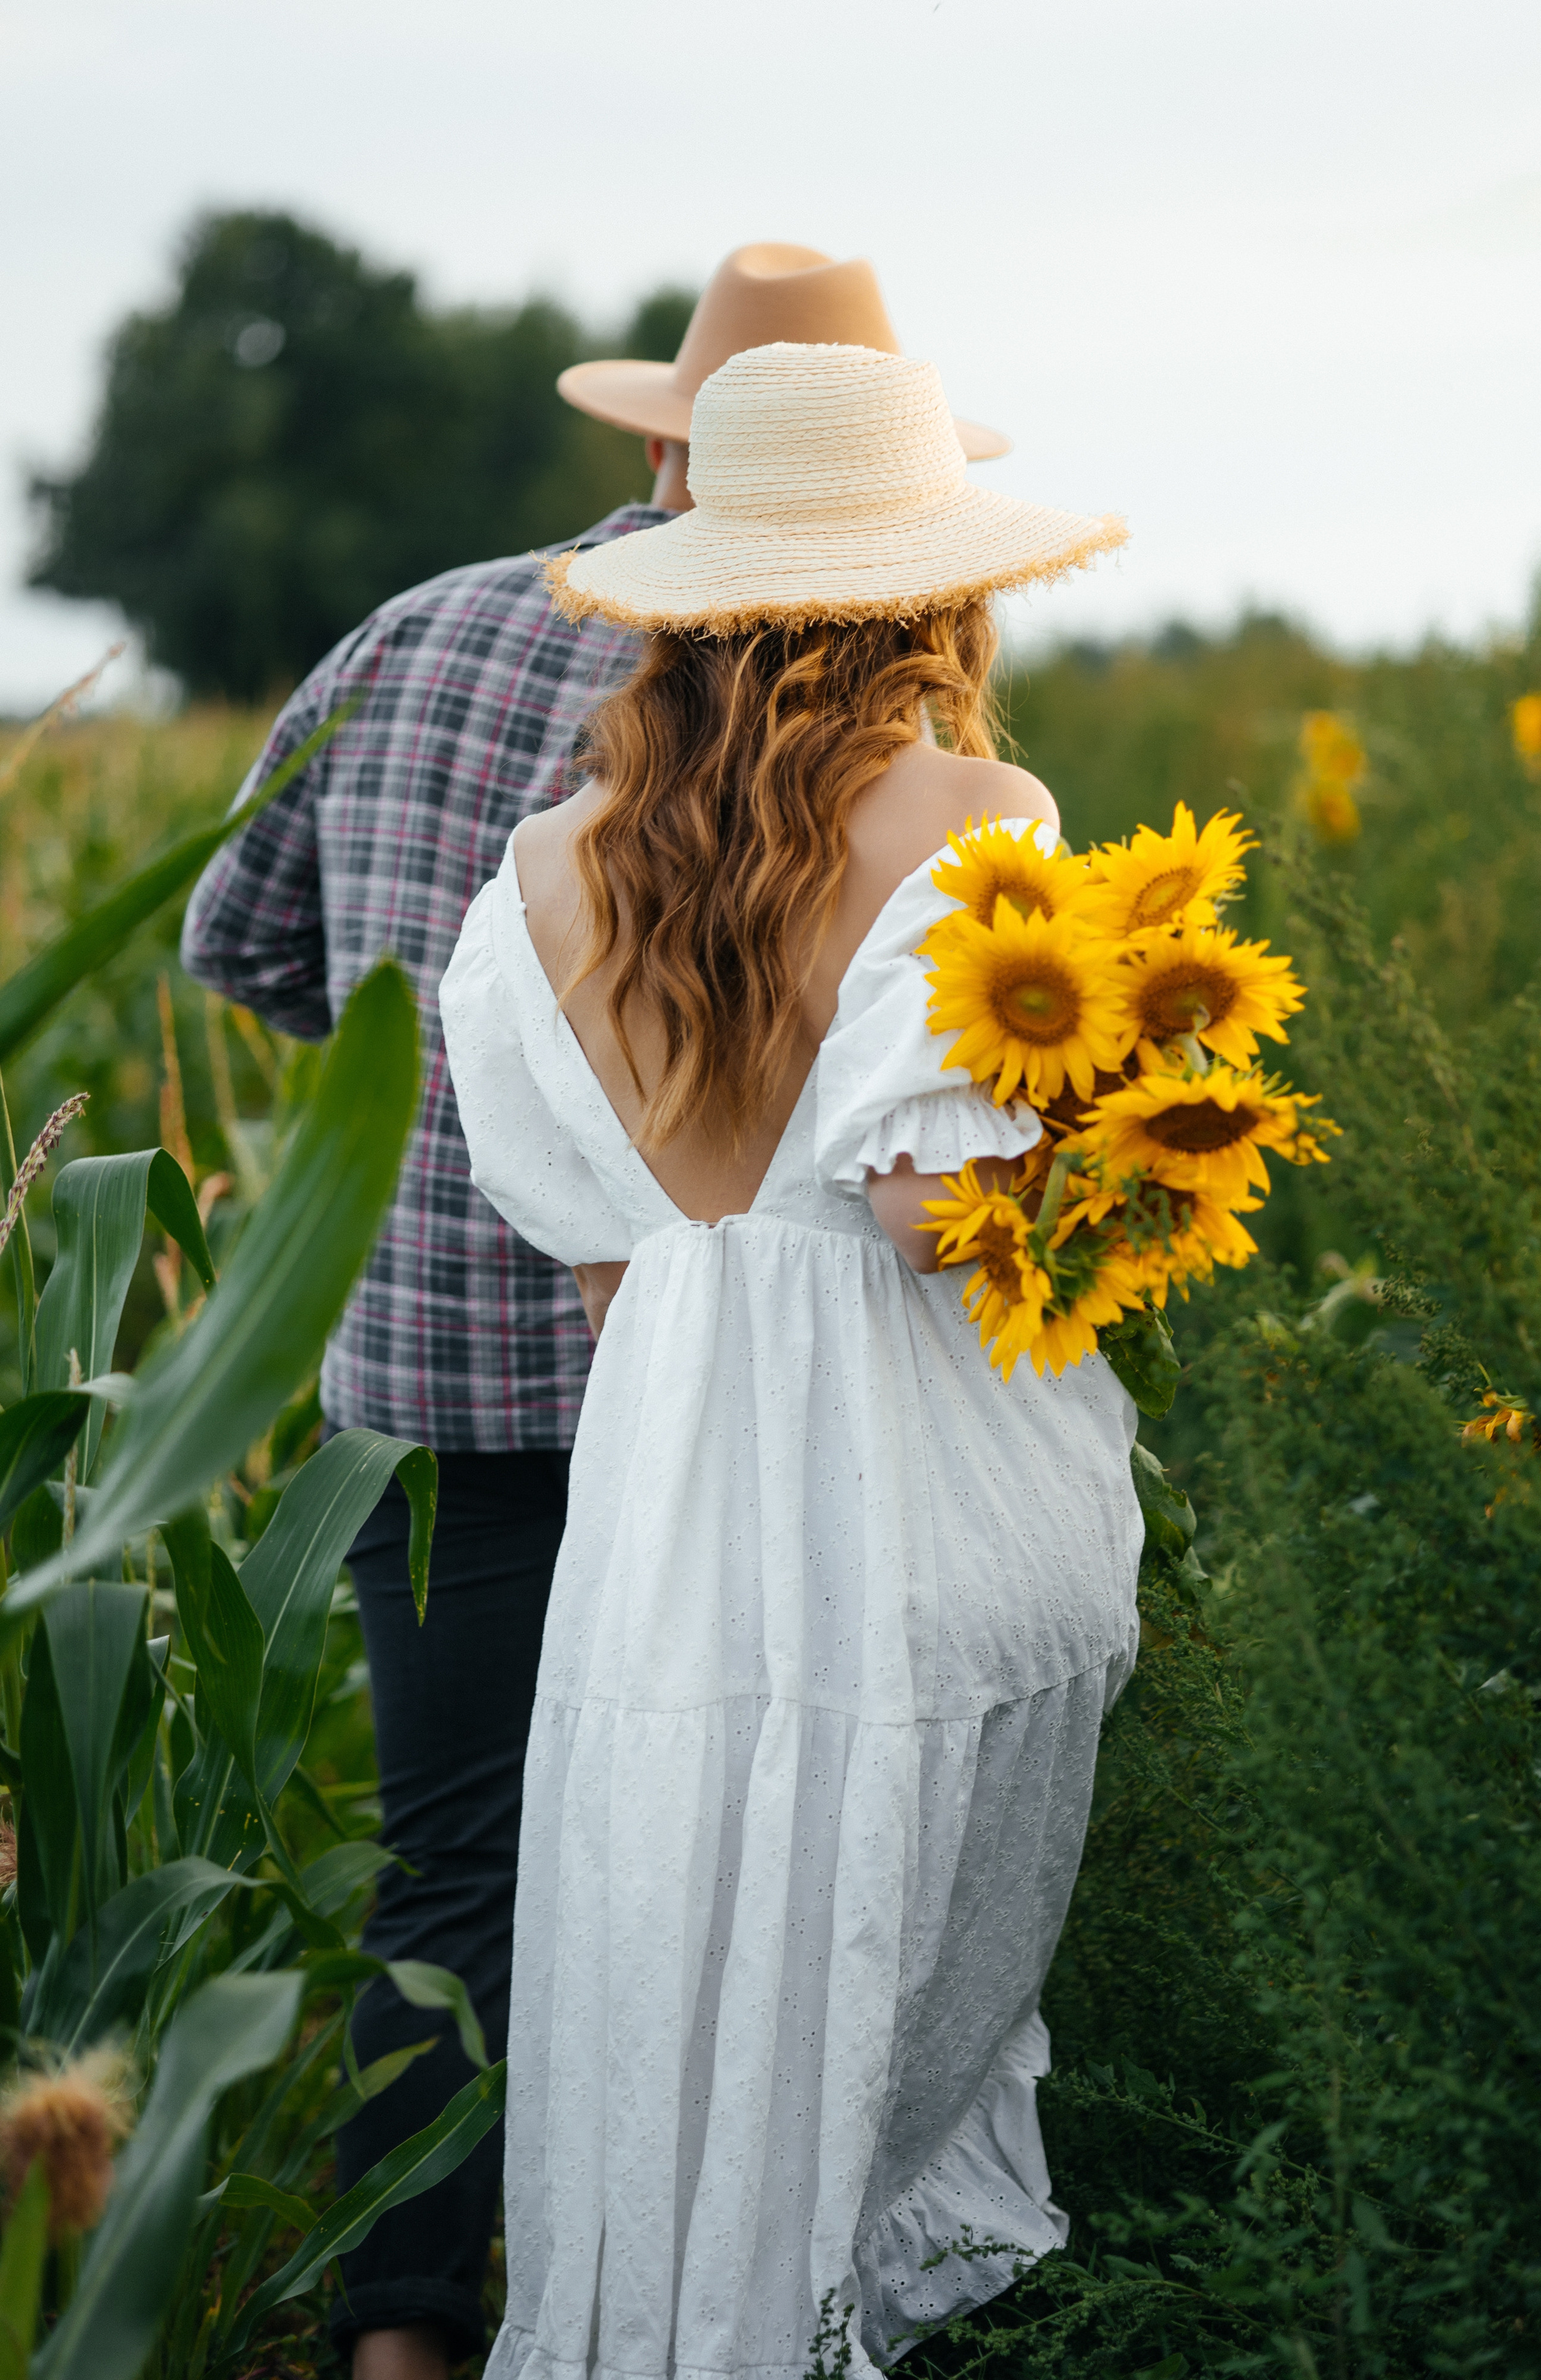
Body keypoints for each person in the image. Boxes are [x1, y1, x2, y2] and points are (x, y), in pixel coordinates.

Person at [179, 247, 1011, 2380]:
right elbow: (907, 1104)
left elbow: (240, 946)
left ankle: (401, 2336)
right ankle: (742, 2290)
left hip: (434, 1371)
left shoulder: (404, 639)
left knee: (458, 1871)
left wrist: (431, 1087)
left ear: (665, 432)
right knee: (746, 1864)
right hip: (769, 1415)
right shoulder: (874, 732)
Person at [438, 340, 1140, 2380]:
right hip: (921, 1490)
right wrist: (1117, 1136)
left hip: (668, 1505)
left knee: (681, 1926)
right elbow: (937, 1216)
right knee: (877, 1970)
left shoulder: (545, 872)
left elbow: (597, 1271)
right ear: (924, 582)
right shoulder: (977, 809)